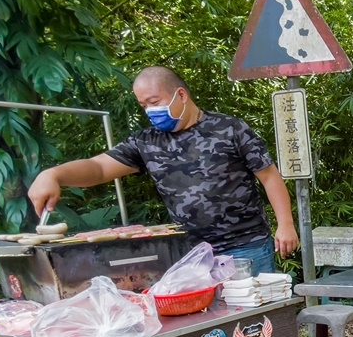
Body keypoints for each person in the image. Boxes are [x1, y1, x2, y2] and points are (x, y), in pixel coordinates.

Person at [27, 66, 300, 275]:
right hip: (188, 253)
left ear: (181, 95)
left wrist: (286, 225)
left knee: (255, 327)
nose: (150, 110)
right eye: (144, 105)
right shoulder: (146, 141)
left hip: (245, 247)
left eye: (155, 101)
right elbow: (98, 168)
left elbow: (268, 176)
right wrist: (54, 174)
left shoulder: (229, 128)